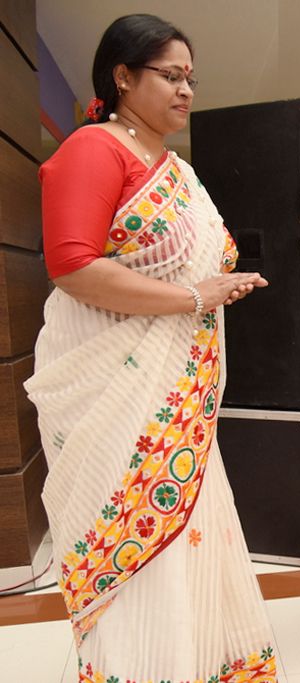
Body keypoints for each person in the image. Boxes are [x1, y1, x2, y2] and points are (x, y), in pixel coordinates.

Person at [24, 14, 277, 682]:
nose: (186, 90)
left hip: (177, 391)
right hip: (114, 389)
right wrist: (197, 296)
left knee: (186, 535)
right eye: (171, 75)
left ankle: (191, 661)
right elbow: (73, 266)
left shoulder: (178, 172)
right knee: (135, 540)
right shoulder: (93, 149)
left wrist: (216, 287)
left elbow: (188, 272)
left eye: (191, 78)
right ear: (123, 75)